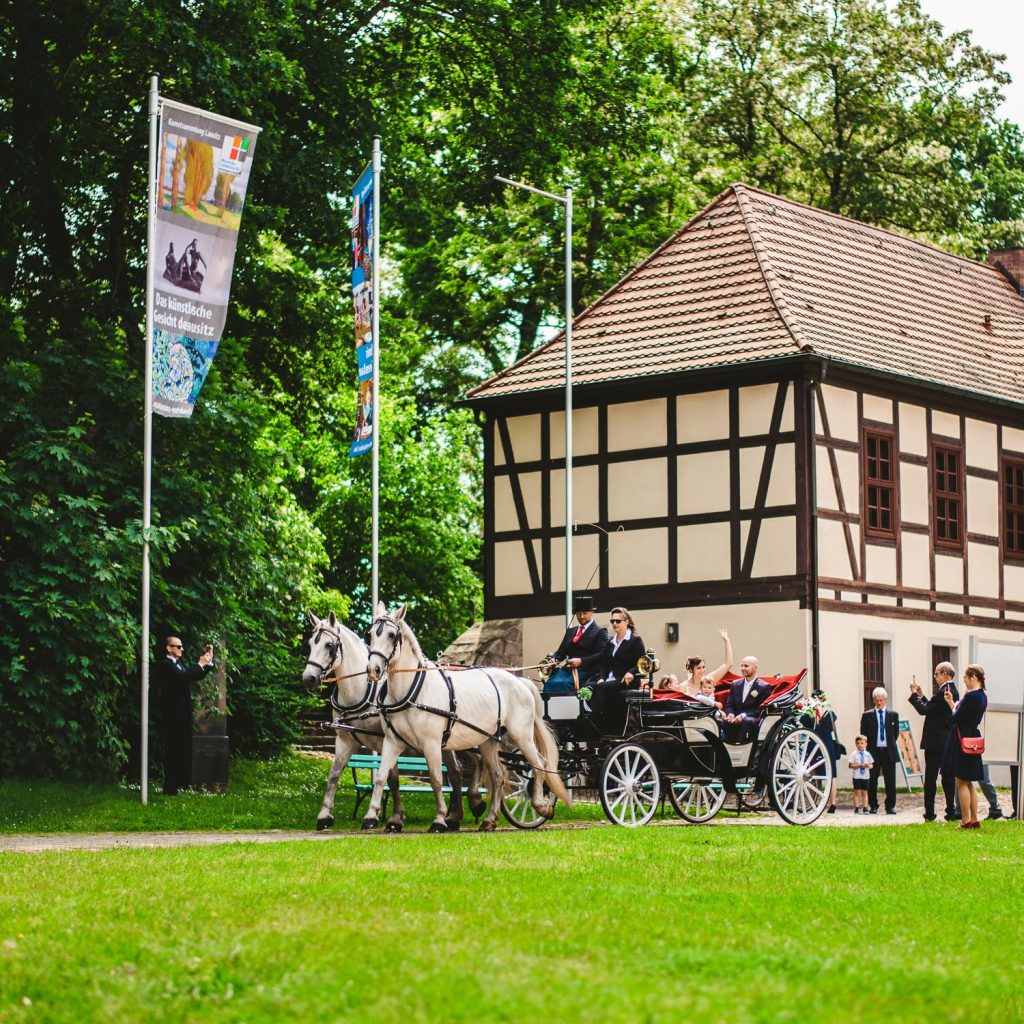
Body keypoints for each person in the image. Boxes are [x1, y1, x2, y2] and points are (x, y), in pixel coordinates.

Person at [153, 635, 213, 795]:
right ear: (169, 648)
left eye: (181, 646)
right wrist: (200, 664)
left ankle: (179, 783)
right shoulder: (165, 665)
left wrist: (207, 662)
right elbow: (182, 678)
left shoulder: (178, 664)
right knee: (172, 749)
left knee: (181, 748)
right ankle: (170, 786)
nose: (182, 649)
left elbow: (192, 676)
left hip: (182, 713)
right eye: (178, 647)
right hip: (172, 714)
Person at [909, 662, 959, 822]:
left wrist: (914, 695)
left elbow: (924, 710)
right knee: (948, 778)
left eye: (936, 673)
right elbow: (933, 708)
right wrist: (922, 696)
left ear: (945, 674)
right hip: (946, 741)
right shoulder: (952, 690)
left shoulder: (944, 691)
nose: (935, 676)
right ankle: (950, 811)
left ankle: (929, 813)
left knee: (931, 779)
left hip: (935, 742)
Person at [943, 664, 988, 830]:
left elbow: (956, 718)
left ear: (973, 677)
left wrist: (953, 706)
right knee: (969, 782)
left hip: (961, 738)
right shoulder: (982, 696)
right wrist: (951, 703)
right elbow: (961, 714)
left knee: (961, 781)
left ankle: (965, 821)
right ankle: (974, 819)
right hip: (972, 738)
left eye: (965, 678)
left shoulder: (971, 696)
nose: (964, 681)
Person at [587, 607, 646, 733]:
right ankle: (596, 719)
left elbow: (641, 663)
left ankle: (593, 721)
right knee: (587, 687)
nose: (614, 623)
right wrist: (601, 677)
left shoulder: (635, 640)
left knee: (601, 688)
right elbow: (604, 664)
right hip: (610, 680)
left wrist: (631, 672)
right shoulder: (610, 642)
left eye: (618, 621)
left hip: (626, 680)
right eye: (612, 621)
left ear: (627, 622)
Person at [543, 595, 610, 694]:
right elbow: (560, 652)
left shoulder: (600, 631)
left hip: (587, 671)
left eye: (584, 613)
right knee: (549, 683)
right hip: (567, 670)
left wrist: (581, 661)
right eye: (579, 614)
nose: (581, 616)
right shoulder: (571, 631)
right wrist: (554, 659)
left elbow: (602, 655)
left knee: (564, 684)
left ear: (592, 613)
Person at [859, 687, 899, 814]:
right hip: (873, 751)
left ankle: (890, 806)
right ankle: (873, 805)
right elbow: (863, 734)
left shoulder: (893, 715)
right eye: (877, 700)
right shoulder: (867, 715)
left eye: (881, 700)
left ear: (885, 700)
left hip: (888, 751)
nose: (879, 703)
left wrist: (888, 743)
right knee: (872, 780)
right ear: (873, 700)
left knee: (890, 780)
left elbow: (895, 734)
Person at [663, 629, 732, 695]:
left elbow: (728, 664)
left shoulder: (709, 679)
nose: (702, 670)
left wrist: (727, 642)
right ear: (691, 669)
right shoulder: (683, 686)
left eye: (703, 667)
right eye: (698, 668)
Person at [722, 655, 771, 742]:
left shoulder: (764, 687)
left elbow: (760, 709)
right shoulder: (735, 684)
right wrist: (730, 714)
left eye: (746, 666)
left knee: (747, 721)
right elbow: (730, 704)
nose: (743, 668)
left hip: (752, 718)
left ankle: (743, 745)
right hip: (735, 717)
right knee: (725, 721)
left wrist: (743, 715)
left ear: (755, 668)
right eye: (742, 665)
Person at [811, 689, 839, 814]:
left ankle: (813, 801)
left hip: (814, 744)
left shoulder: (809, 714)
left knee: (812, 773)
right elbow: (833, 729)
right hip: (828, 744)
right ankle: (832, 803)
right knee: (831, 774)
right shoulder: (830, 714)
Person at [849, 735, 874, 814]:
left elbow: (871, 765)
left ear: (866, 744)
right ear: (856, 744)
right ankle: (856, 807)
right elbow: (850, 765)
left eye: (862, 743)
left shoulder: (867, 754)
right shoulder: (854, 754)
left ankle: (865, 807)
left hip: (865, 776)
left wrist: (868, 766)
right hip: (857, 776)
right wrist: (859, 766)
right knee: (857, 792)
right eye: (858, 743)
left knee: (865, 792)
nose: (860, 745)